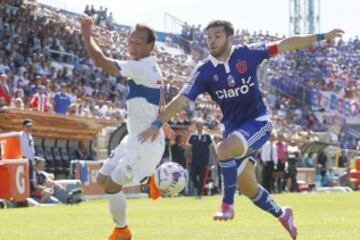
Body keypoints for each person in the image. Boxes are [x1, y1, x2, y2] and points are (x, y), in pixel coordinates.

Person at [138, 19, 344, 239]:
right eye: (208, 37)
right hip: (234, 131)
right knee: (249, 188)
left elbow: (286, 44)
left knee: (223, 150)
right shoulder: (204, 70)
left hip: (258, 122)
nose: (212, 41)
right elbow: (180, 100)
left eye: (217, 36)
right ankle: (283, 213)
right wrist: (157, 123)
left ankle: (227, 204)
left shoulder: (248, 53)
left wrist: (322, 36)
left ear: (229, 37)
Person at [80, 15, 165, 240]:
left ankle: (122, 231)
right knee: (101, 180)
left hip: (145, 145)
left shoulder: (142, 68)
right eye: (130, 41)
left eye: (138, 42)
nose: (132, 46)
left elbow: (100, 60)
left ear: (150, 46)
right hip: (134, 139)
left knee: (110, 186)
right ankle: (149, 177)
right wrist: (159, 122)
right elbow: (160, 100)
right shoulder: (149, 67)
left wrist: (87, 34)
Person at [187, 119, 213, 198]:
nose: (199, 127)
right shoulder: (192, 136)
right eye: (197, 125)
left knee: (202, 178)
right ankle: (198, 187)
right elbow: (189, 148)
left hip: (204, 160)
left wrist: (210, 161)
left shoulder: (207, 136)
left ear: (203, 126)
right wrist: (188, 157)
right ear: (195, 126)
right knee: (192, 175)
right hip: (194, 160)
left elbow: (211, 148)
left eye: (201, 125)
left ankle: (199, 194)